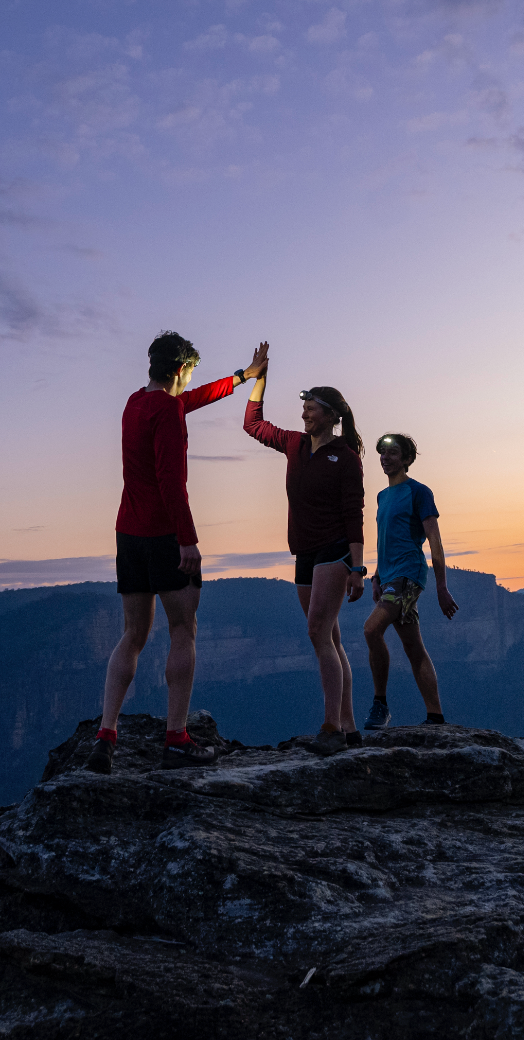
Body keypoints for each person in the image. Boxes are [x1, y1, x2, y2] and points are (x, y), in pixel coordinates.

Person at [92, 330, 261, 774]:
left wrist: (243, 376)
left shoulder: (135, 403)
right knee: (183, 628)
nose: (191, 381)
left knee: (133, 634)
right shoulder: (167, 409)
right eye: (190, 373)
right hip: (165, 534)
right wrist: (187, 539)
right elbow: (171, 479)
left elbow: (191, 400)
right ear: (181, 368)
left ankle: (105, 737)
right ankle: (176, 738)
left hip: (127, 533)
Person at [241, 343, 366, 755]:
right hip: (304, 554)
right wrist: (258, 380)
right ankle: (348, 727)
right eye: (304, 408)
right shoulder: (294, 444)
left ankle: (331, 727)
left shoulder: (346, 458)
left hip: (334, 552)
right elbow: (253, 425)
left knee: (317, 632)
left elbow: (354, 513)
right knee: (329, 636)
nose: (304, 414)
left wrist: (358, 566)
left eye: (311, 408)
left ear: (331, 414)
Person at [356, 432, 457, 728]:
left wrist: (442, 587)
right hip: (388, 577)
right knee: (414, 648)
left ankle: (380, 703)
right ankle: (436, 716)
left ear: (407, 459)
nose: (386, 459)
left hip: (408, 575)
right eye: (383, 454)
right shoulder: (382, 496)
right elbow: (386, 539)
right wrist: (376, 576)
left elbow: (434, 541)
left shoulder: (419, 492)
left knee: (371, 630)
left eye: (393, 453)